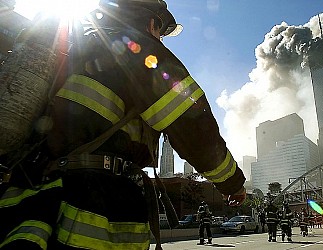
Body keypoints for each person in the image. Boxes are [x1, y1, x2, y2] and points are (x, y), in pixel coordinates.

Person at [0, 0, 246, 249]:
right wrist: (232, 183)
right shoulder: (139, 50)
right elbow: (193, 125)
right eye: (161, 33)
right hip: (93, 205)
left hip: (31, 202)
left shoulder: (75, 49)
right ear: (152, 22)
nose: (161, 40)